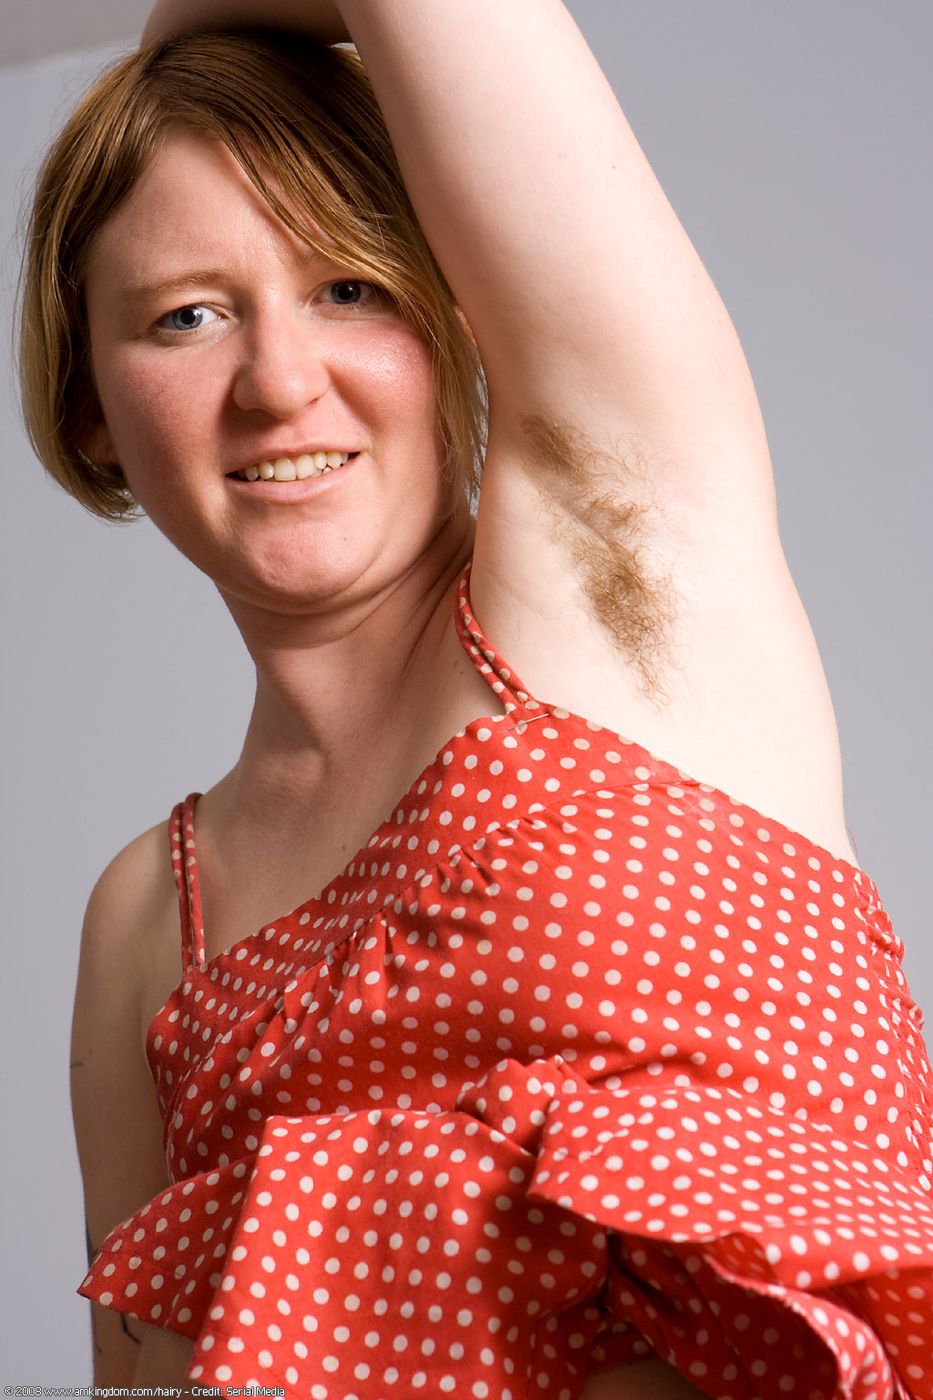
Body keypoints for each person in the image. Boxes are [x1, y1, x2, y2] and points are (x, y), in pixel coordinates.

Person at [19, 1, 933, 1395]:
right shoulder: (150, 917)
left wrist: (176, 40)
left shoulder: (619, 569)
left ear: (457, 313)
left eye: (349, 289)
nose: (279, 382)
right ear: (92, 402)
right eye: (185, 317)